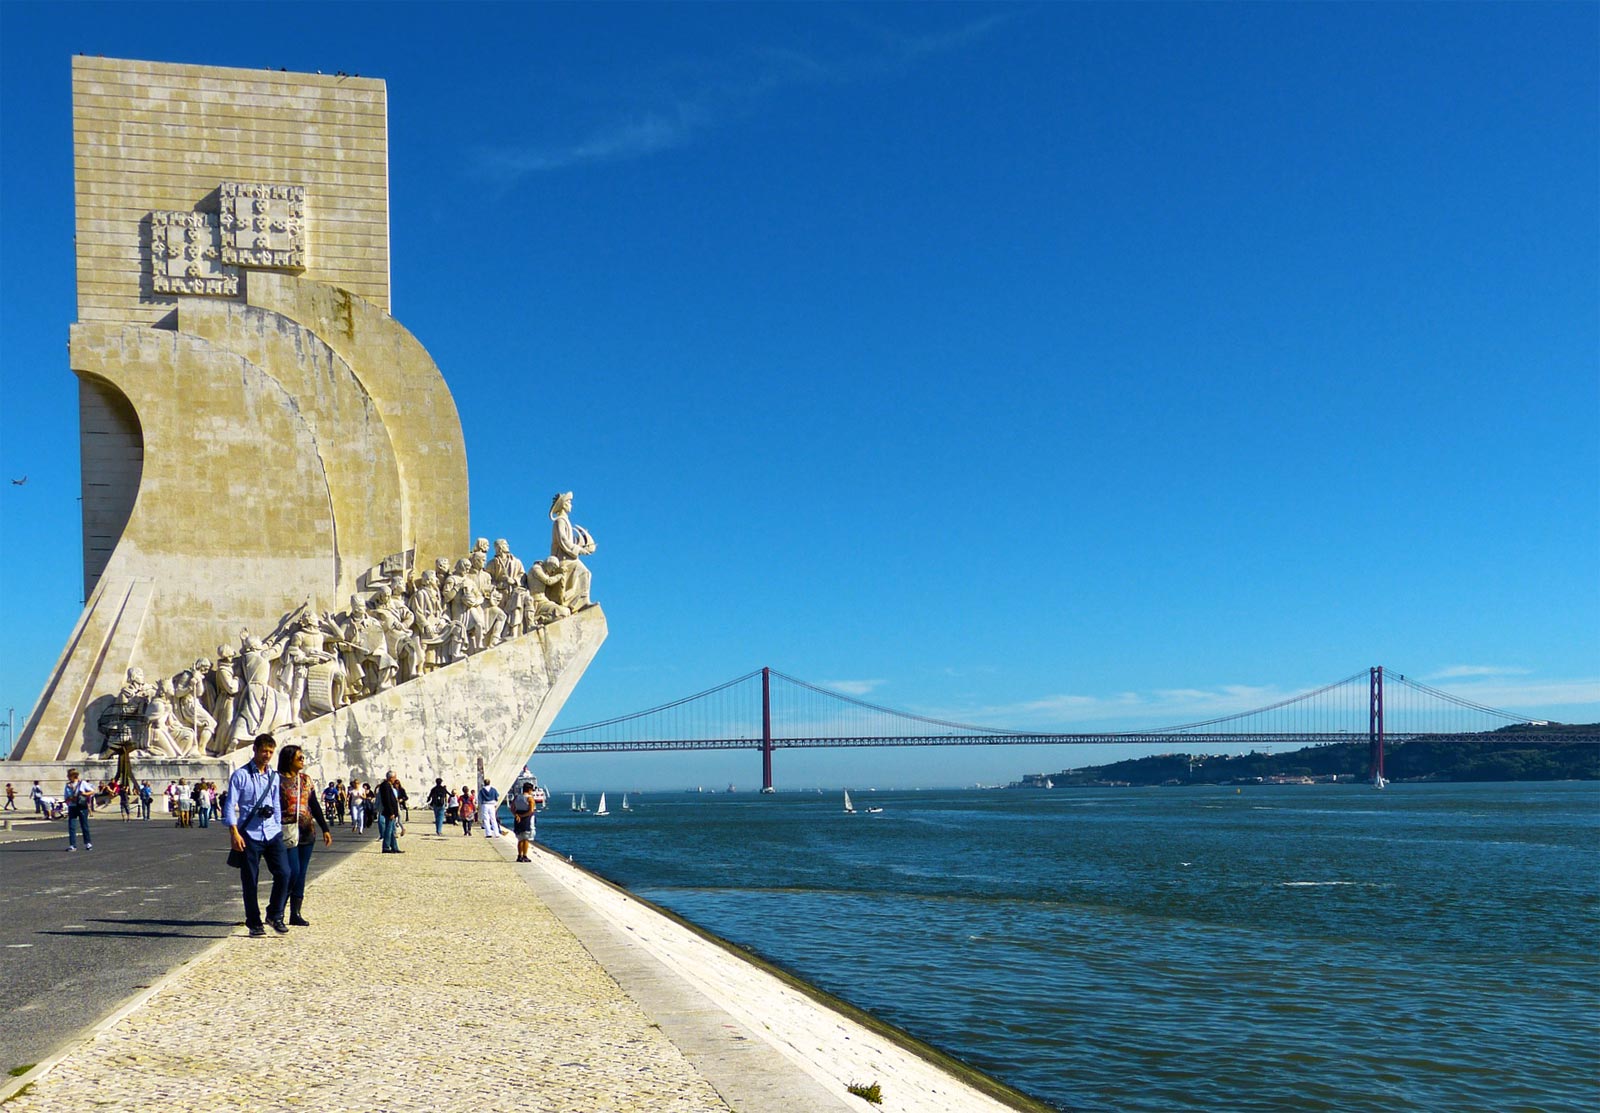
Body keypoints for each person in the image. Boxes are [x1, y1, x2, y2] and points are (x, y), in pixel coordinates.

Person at [224, 734, 290, 936]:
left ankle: (274, 914)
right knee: (250, 880)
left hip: (271, 832)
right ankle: (254, 922)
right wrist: (234, 833)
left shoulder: (274, 776)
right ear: (255, 750)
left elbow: (276, 803)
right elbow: (229, 806)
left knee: (285, 873)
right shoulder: (240, 775)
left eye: (271, 752)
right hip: (249, 834)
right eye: (264, 751)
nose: (267, 755)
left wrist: (277, 826)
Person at [277, 744, 333, 926]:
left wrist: (325, 828)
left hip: (307, 831)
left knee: (301, 873)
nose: (302, 760)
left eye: (303, 757)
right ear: (288, 759)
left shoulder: (306, 780)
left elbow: (314, 805)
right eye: (299, 757)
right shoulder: (276, 780)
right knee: (292, 871)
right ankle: (278, 911)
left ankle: (296, 913)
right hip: (286, 831)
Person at [63, 768, 93, 851]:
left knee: (84, 825)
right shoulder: (68, 785)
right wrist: (69, 799)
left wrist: (84, 793)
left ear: (73, 776)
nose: (68, 777)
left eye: (69, 776)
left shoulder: (82, 783)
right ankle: (72, 845)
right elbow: (66, 797)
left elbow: (92, 791)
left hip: (81, 806)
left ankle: (88, 843)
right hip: (72, 806)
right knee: (71, 826)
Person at [376, 771, 403, 854]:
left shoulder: (387, 785)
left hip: (391, 811)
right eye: (394, 777)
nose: (395, 779)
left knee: (391, 830)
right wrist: (391, 812)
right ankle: (386, 847)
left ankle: (394, 847)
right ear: (391, 778)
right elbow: (387, 800)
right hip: (389, 812)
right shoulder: (386, 786)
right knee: (389, 829)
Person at [509, 781, 536, 862]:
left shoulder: (517, 797)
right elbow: (531, 810)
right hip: (526, 818)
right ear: (529, 790)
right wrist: (523, 816)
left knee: (520, 838)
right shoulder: (530, 798)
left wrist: (516, 815)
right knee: (526, 838)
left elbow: (512, 808)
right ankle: (525, 855)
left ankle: (519, 855)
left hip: (517, 818)